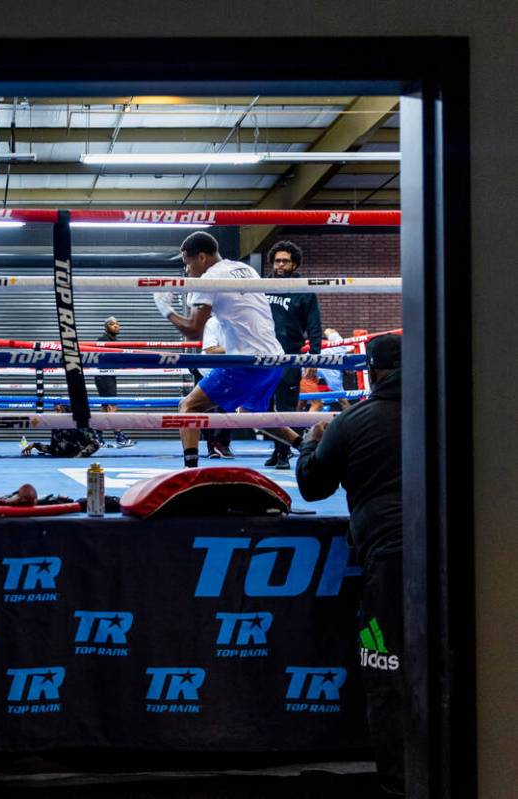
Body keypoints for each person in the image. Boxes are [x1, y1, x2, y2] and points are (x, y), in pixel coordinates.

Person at [294, 333, 404, 797]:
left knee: (387, 669)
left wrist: (308, 441)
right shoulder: (452, 405)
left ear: (373, 372)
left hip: (390, 556)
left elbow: (313, 489)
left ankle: (399, 783)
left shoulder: (354, 420)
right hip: (460, 550)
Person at [152, 231, 303, 468]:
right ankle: (307, 447)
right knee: (252, 415)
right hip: (273, 358)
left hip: (247, 362)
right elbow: (235, 308)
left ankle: (189, 470)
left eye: (187, 263)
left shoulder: (209, 279)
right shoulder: (245, 269)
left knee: (188, 407)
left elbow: (193, 330)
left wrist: (166, 309)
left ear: (201, 257)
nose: (187, 270)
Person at [264, 240, 322, 469]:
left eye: (285, 261)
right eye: (277, 261)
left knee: (286, 405)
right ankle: (277, 447)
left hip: (289, 355)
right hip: (262, 355)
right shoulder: (261, 285)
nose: (280, 265)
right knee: (263, 407)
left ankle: (283, 453)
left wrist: (314, 358)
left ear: (294, 264)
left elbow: (314, 325)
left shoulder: (304, 288)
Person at [198, 314, 235, 458]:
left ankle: (223, 445)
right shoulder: (213, 323)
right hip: (208, 371)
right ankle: (211, 446)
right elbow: (210, 350)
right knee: (205, 409)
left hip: (230, 371)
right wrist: (236, 348)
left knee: (228, 408)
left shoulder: (240, 323)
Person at [94, 316, 131, 447]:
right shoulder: (102, 340)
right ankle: (119, 436)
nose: (116, 326)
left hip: (108, 376)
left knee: (105, 408)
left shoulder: (115, 341)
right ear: (106, 327)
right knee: (113, 406)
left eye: (117, 324)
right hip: (104, 376)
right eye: (112, 324)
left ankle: (98, 436)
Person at [20, 405, 103, 457]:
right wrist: (35, 445)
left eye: (58, 410)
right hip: (60, 463)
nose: (55, 413)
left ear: (66, 410)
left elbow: (95, 444)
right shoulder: (56, 426)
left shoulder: (79, 424)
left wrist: (81, 455)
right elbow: (54, 449)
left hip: (77, 464)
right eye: (55, 410)